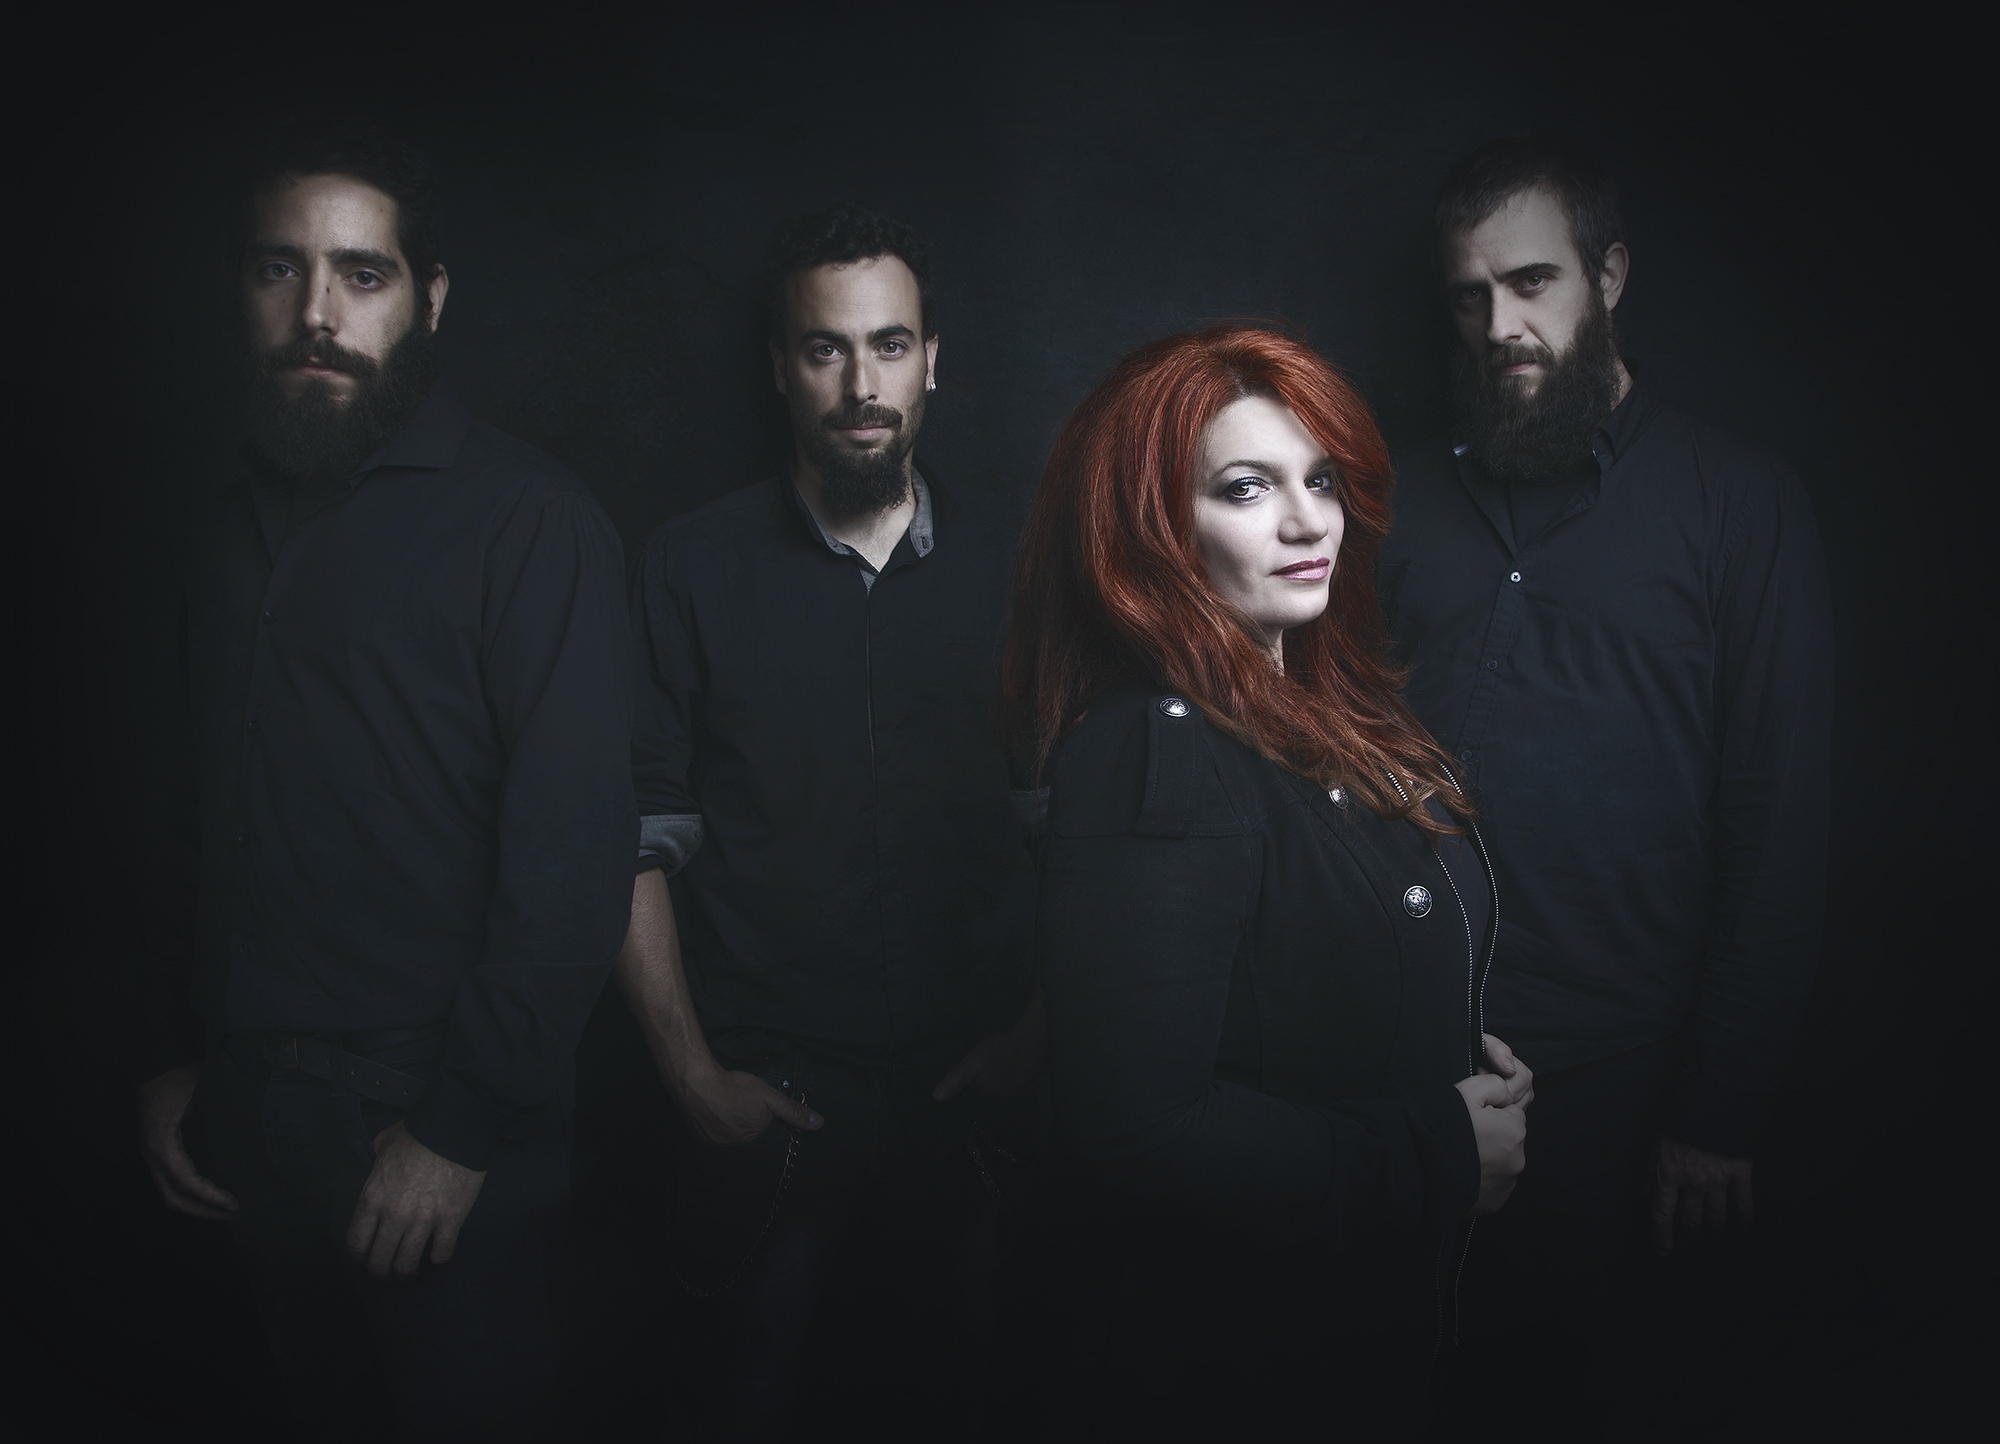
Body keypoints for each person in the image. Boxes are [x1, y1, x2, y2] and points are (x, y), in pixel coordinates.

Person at [129, 126, 636, 1441]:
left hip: (430, 1118)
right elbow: (186, 810)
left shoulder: (531, 523)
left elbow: (573, 862)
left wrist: (457, 1129)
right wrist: (175, 1052)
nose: (317, 312)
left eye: (361, 274)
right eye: (279, 269)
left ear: (429, 297)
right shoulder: (216, 525)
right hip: (245, 1102)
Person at [1003, 324, 1533, 1432]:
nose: (1308, 522)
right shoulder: (1155, 749)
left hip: (1361, 1325)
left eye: (1320, 479)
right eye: (1246, 488)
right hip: (1239, 1363)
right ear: (1153, 528)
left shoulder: (1326, 711)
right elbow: (1136, 1128)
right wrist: (1434, 1150)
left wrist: (1438, 1039)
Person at [1379, 133, 1834, 1423]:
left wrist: (1717, 1109)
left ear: (1609, 275)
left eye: (1531, 283)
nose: (1499, 327)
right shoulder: (1386, 501)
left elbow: (1777, 827)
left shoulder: (1740, 506)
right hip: (1405, 1065)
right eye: (1469, 296)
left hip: (1621, 1085)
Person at [616, 203, 1042, 1439]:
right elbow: (633, 835)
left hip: (970, 1098)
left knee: (974, 1396)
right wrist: (689, 1075)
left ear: (930, 358)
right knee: (731, 1399)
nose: (862, 385)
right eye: (825, 349)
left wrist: (1041, 1031)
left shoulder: (1023, 570)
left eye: (889, 345)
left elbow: (1080, 827)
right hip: (771, 1102)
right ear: (778, 366)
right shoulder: (685, 566)